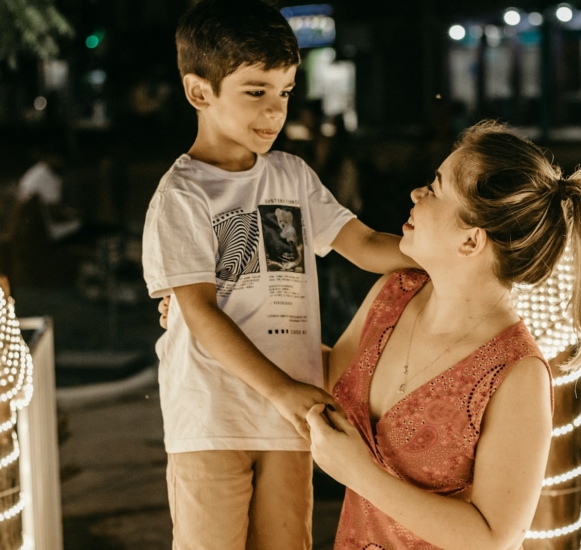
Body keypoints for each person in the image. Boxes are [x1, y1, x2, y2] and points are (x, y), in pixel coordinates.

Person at [305, 121, 581, 550]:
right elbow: (325, 376)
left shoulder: (517, 373)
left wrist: (358, 474)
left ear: (472, 241)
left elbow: (494, 536)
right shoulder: (393, 295)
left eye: (434, 189)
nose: (417, 194)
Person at [141, 1, 416, 549]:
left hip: (292, 417)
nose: (274, 111)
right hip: (213, 413)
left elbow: (361, 244)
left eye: (285, 92)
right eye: (255, 92)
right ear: (200, 92)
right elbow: (197, 310)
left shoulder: (291, 174)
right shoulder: (183, 194)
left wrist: (441, 254)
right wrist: (284, 390)